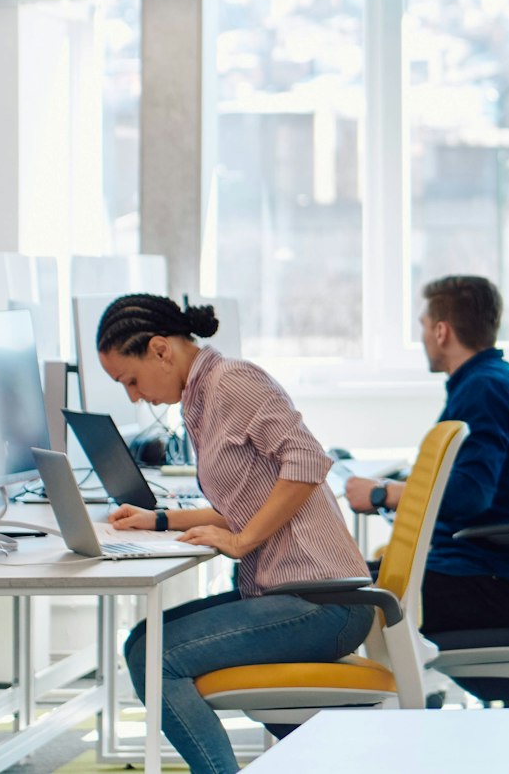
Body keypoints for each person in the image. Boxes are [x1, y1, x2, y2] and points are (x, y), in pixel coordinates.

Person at [95, 295, 371, 774]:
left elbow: (307, 462)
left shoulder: (233, 382)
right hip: (292, 593)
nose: (133, 397)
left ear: (160, 349)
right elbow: (244, 503)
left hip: (325, 602)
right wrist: (158, 520)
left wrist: (242, 544)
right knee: (142, 642)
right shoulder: (201, 399)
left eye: (131, 381)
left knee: (156, 658)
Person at [344, 275, 509, 635]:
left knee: (333, 602)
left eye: (422, 327)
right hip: (473, 570)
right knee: (337, 583)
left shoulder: (485, 388)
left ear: (441, 331)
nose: (422, 336)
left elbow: (469, 494)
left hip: (486, 582)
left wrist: (382, 494)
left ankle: (382, 691)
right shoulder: (484, 381)